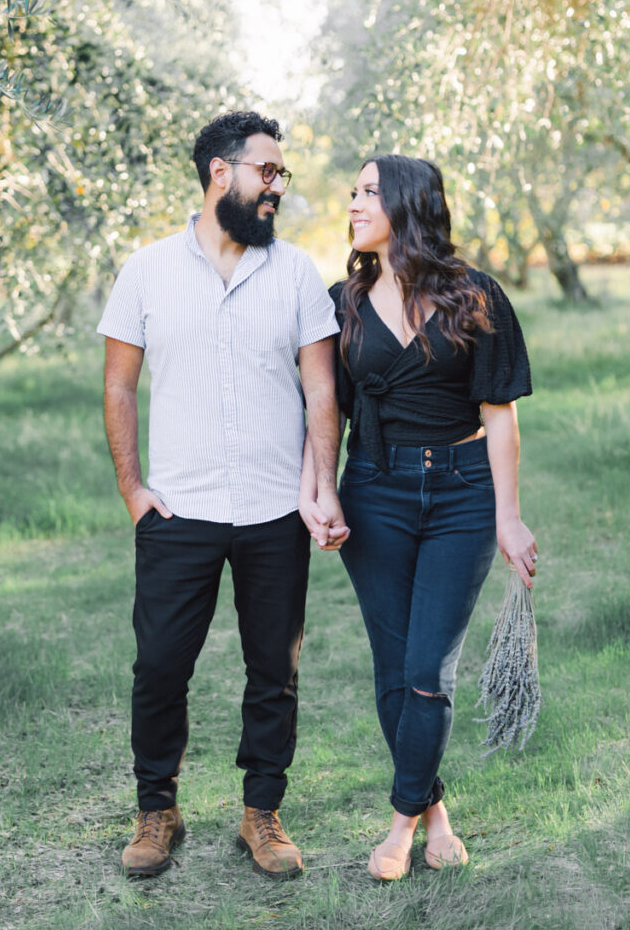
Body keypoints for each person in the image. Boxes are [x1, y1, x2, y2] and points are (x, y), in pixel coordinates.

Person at [97, 110, 348, 880]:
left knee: (275, 669)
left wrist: (322, 488)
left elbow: (321, 389)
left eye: (282, 175)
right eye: (267, 172)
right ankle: (156, 810)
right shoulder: (146, 271)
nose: (279, 187)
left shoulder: (299, 272)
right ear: (220, 172)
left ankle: (262, 814)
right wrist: (134, 488)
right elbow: (118, 385)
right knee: (161, 667)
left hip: (275, 509)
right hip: (179, 511)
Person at [299, 154, 536, 880]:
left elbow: (500, 418)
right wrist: (323, 491)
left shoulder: (477, 295)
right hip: (376, 490)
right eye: (354, 192)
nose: (354, 202)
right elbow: (325, 409)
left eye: (370, 192)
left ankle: (400, 825)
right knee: (396, 671)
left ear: (408, 204)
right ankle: (435, 813)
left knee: (429, 671)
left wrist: (509, 517)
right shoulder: (342, 301)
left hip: (462, 496)